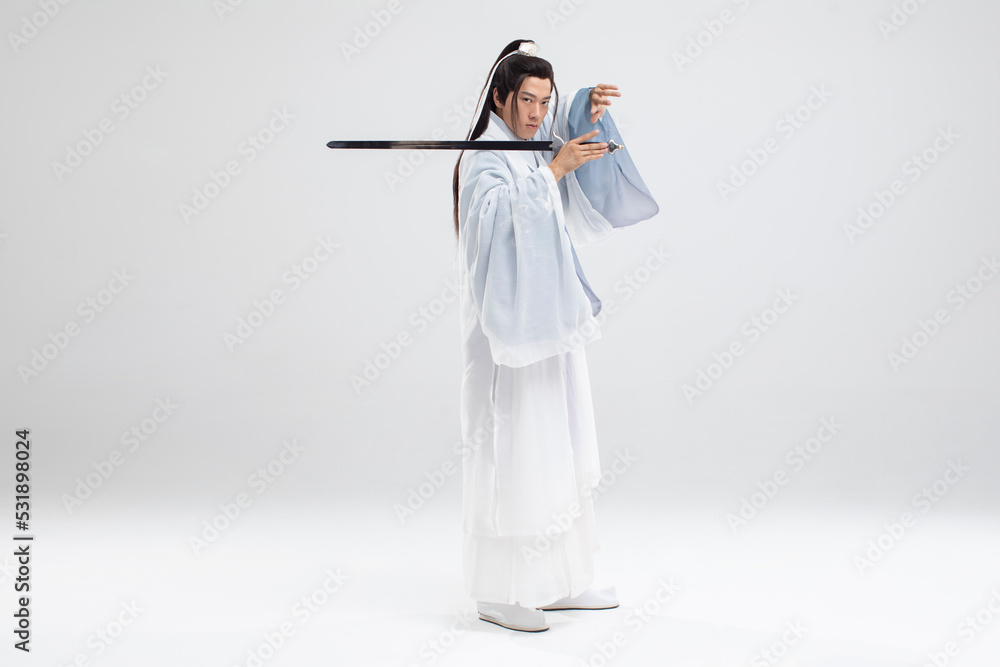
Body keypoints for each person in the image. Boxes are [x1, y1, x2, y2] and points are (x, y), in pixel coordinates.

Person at [452, 39, 659, 633]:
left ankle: (559, 581)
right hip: (506, 332)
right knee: (513, 448)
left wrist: (584, 113)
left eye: (546, 102)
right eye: (527, 100)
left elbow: (562, 188)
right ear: (500, 97)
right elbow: (494, 226)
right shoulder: (485, 158)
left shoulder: (531, 147)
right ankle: (499, 591)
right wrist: (552, 171)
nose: (537, 114)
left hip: (547, 323)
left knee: (555, 445)